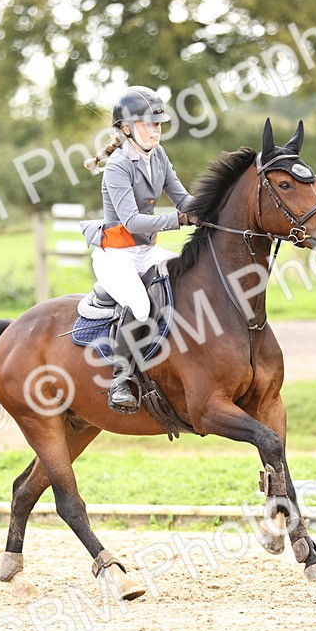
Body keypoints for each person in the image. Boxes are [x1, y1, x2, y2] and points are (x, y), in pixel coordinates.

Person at [80, 86, 197, 413]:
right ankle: (120, 378)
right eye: (149, 124)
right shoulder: (118, 165)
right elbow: (131, 221)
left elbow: (182, 198)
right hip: (116, 254)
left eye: (159, 124)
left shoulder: (158, 155)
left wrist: (209, 208)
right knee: (140, 305)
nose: (157, 129)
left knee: (186, 279)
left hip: (147, 251)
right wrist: (177, 220)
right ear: (127, 129)